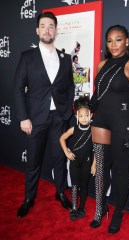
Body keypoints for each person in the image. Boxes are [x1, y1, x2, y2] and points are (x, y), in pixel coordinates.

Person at [14, 12, 75, 218]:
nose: (47, 29)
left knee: (59, 159)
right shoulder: (27, 57)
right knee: (33, 162)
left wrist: (67, 112)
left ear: (56, 30)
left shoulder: (65, 58)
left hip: (59, 118)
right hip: (35, 119)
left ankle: (60, 192)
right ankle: (29, 198)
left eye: (51, 26)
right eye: (43, 26)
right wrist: (24, 117)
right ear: (37, 30)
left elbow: (70, 87)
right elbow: (18, 88)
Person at [89, 25, 129, 234]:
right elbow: (98, 94)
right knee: (102, 168)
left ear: (127, 42)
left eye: (118, 40)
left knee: (120, 171)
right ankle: (100, 208)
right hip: (101, 121)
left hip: (123, 123)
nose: (113, 44)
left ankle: (119, 211)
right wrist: (86, 106)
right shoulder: (102, 64)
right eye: (110, 40)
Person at [60, 96, 96, 221]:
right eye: (81, 116)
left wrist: (94, 164)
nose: (84, 118)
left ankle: (81, 207)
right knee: (75, 186)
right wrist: (67, 152)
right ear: (76, 117)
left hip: (87, 162)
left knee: (84, 185)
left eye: (86, 115)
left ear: (91, 115)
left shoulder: (94, 130)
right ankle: (74, 208)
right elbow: (62, 138)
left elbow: (97, 148)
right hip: (74, 162)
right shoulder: (73, 129)